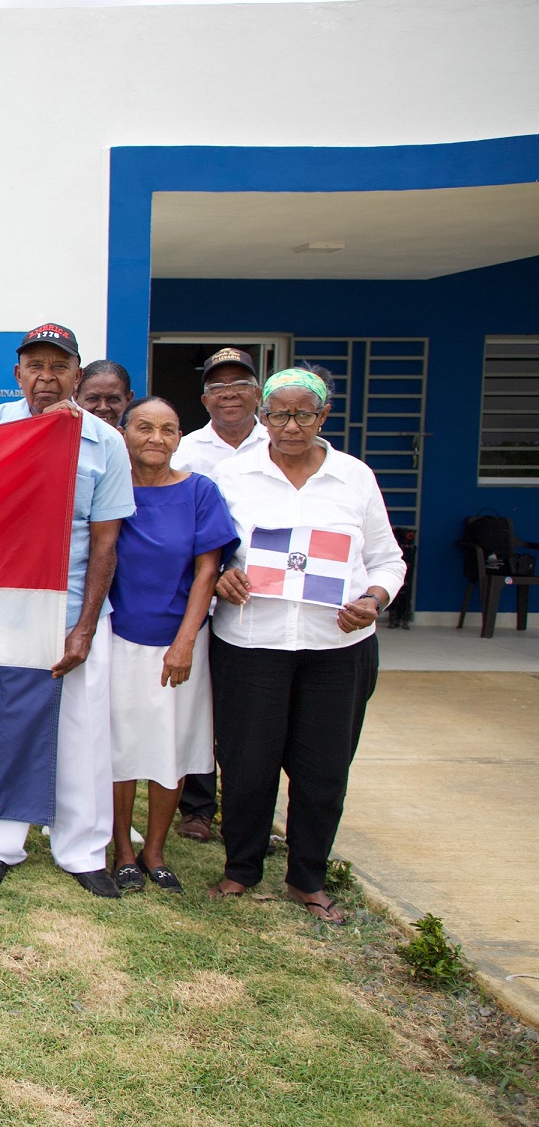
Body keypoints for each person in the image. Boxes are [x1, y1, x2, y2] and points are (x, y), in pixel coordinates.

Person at [208, 366, 403, 923]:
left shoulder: (355, 478)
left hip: (336, 648)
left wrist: (375, 598)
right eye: (278, 414)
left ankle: (307, 877)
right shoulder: (232, 475)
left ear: (323, 416)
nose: (290, 426)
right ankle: (241, 868)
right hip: (252, 642)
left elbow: (388, 559)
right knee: (247, 763)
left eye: (304, 414)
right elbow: (210, 550)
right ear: (261, 416)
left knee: (324, 768)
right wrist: (224, 573)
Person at [0, 324, 135, 898]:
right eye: (34, 366)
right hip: (1, 607)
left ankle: (82, 851)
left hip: (74, 606)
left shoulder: (105, 443)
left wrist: (85, 626)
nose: (46, 377)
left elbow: (107, 543)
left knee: (82, 733)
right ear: (17, 374)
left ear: (77, 376)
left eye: (58, 366)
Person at [105, 397, 238, 894]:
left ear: (180, 438)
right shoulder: (109, 489)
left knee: (170, 744)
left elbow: (208, 570)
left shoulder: (201, 491)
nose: (156, 438)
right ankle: (121, 849)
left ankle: (154, 851)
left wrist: (183, 642)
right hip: (117, 636)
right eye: (144, 427)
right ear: (124, 432)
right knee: (119, 746)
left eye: (168, 429)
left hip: (181, 641)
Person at [169, 348, 270, 843]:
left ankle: (252, 811)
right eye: (218, 386)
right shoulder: (185, 451)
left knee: (246, 714)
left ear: (258, 393)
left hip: (267, 607)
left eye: (240, 384)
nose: (229, 393)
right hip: (200, 600)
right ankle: (198, 806)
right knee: (201, 705)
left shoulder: (285, 442)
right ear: (205, 397)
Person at [76, 360, 134, 428]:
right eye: (93, 399)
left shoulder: (139, 437)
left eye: (113, 399)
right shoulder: (64, 437)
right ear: (76, 397)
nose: (103, 408)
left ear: (128, 399)